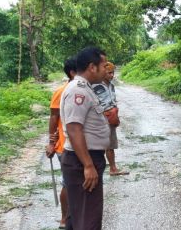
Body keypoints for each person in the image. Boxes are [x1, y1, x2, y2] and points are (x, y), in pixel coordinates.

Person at [60, 47, 110, 230]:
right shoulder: (78, 91)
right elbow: (74, 129)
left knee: (78, 215)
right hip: (82, 160)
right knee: (89, 219)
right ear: (92, 67)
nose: (106, 69)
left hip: (83, 159)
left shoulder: (85, 88)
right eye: (104, 65)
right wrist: (88, 165)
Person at [45, 57, 76, 229]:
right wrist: (51, 142)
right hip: (64, 146)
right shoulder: (61, 91)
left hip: (80, 144)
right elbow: (53, 118)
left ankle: (75, 215)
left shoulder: (85, 90)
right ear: (73, 73)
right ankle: (64, 218)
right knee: (67, 182)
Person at [92, 62, 128, 176]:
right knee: (102, 145)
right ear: (102, 72)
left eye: (113, 73)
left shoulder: (111, 85)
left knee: (110, 144)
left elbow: (113, 101)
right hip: (101, 119)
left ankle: (112, 168)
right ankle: (104, 169)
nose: (112, 75)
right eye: (109, 73)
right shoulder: (95, 86)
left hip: (111, 118)